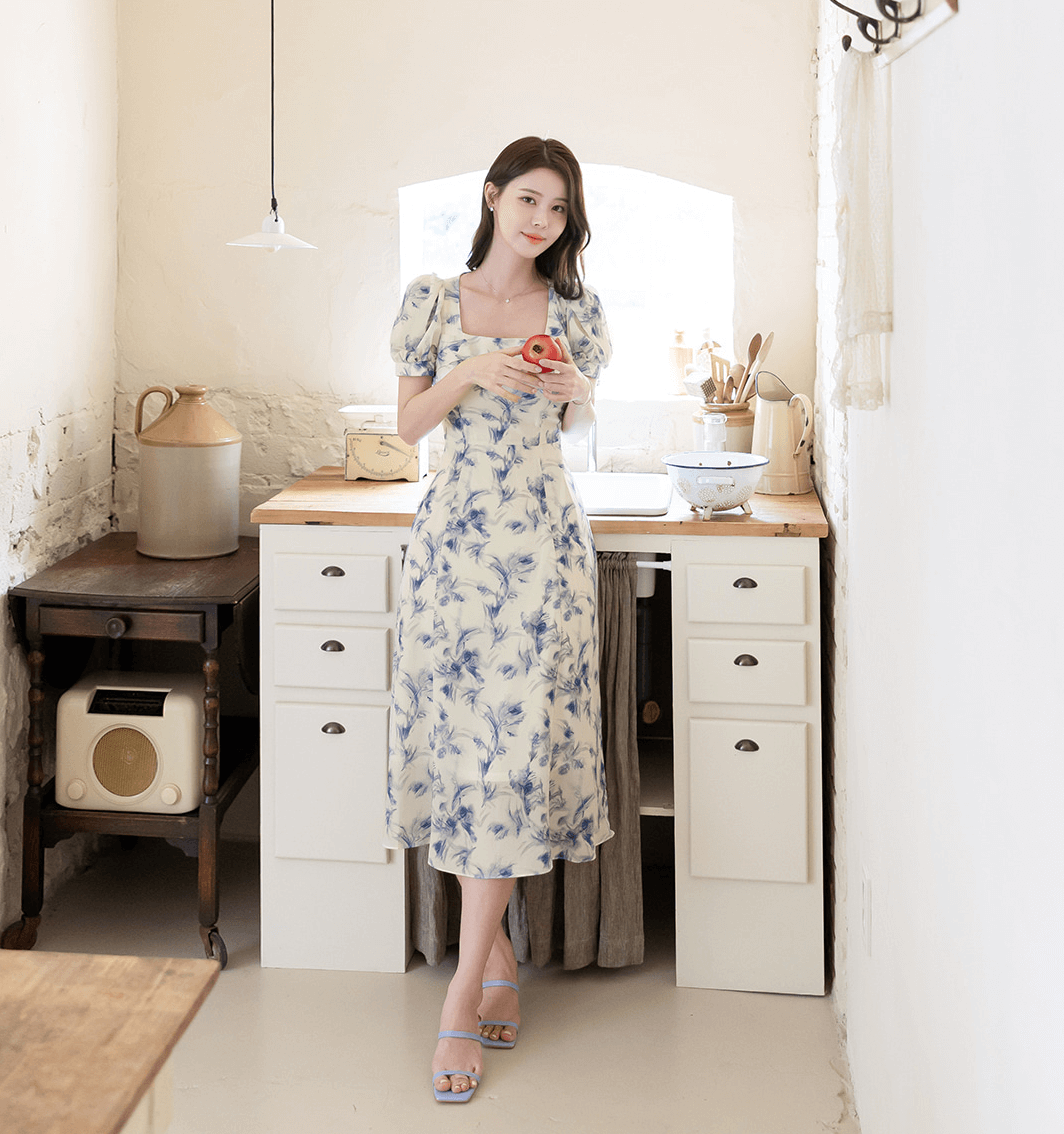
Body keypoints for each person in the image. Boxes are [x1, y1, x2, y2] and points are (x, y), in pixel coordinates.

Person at [384, 136, 614, 1102]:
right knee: (467, 757)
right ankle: (499, 961)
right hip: (455, 551)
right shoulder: (433, 300)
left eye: (558, 209)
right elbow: (408, 426)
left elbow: (578, 433)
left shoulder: (575, 312)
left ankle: (460, 996)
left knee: (514, 760)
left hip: (544, 552)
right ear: (491, 197)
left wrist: (577, 394)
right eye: (528, 200)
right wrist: (472, 372)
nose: (541, 222)